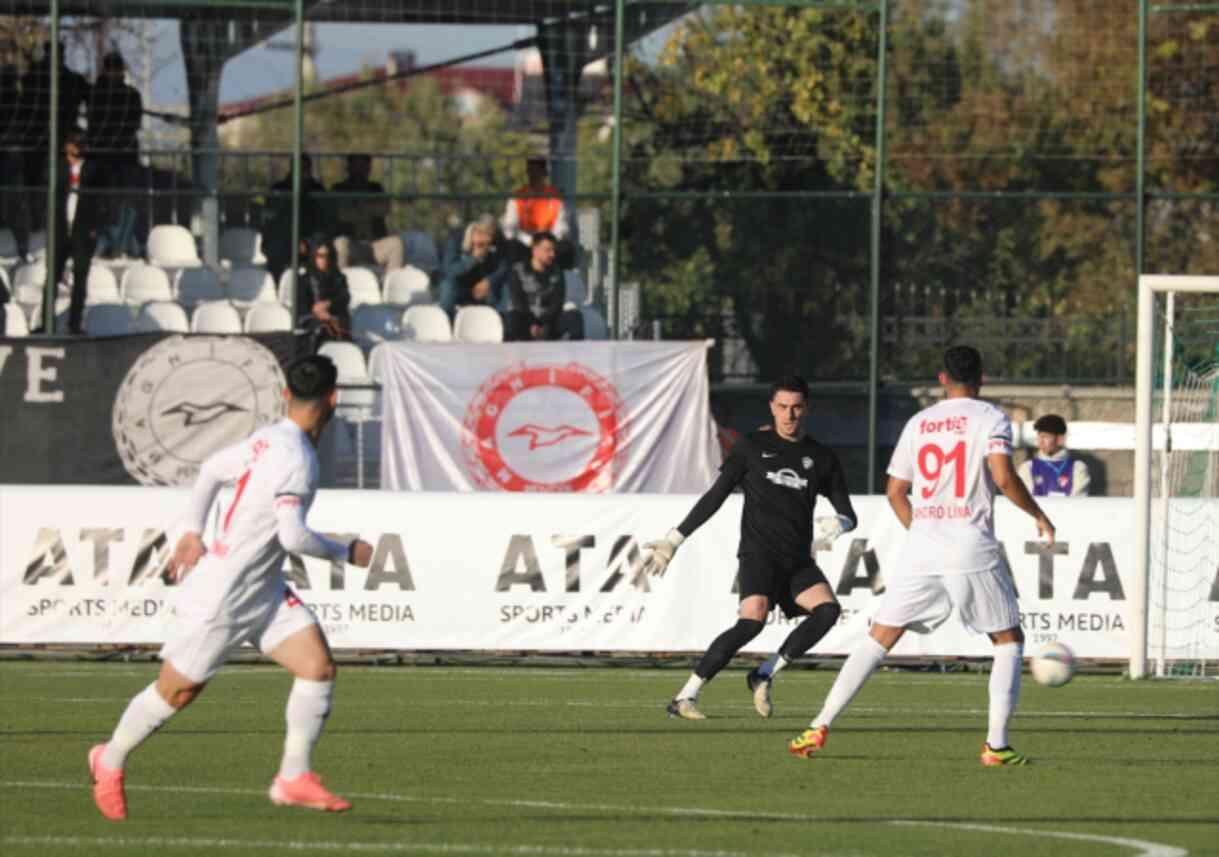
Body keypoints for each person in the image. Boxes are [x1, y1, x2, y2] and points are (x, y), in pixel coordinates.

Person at [88, 355, 374, 821]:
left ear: (285, 395)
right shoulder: (296, 459)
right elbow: (292, 537)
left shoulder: (268, 438)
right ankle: (110, 759)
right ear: (334, 399)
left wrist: (193, 529)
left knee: (317, 668)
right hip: (222, 593)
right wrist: (346, 552)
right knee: (175, 693)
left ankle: (292, 777)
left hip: (261, 589)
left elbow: (210, 469)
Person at [788, 346, 1055, 767]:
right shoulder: (991, 419)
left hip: (922, 548)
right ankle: (997, 745)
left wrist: (926, 531)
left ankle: (818, 725)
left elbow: (896, 491)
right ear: (981, 379)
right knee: (1008, 640)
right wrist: (1039, 514)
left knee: (879, 638)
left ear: (942, 379)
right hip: (969, 543)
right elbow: (1003, 477)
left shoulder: (920, 422)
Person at [642, 374, 859, 720]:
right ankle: (684, 697)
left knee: (828, 611)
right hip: (759, 554)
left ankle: (763, 673)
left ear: (807, 409)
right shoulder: (751, 447)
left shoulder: (821, 457)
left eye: (797, 407)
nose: (790, 415)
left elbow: (848, 513)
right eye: (783, 407)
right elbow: (715, 496)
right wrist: (674, 539)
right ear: (772, 408)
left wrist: (841, 523)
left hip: (798, 560)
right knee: (753, 620)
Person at [51, 131, 110, 335]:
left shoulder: (93, 168)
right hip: (60, 230)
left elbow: (101, 198)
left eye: (78, 145)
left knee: (80, 277)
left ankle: (74, 324)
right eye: (72, 144)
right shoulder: (57, 166)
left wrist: (95, 228)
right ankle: (45, 322)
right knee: (52, 278)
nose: (75, 149)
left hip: (82, 231)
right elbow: (51, 185)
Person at [328, 153, 404, 271]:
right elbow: (341, 214)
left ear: (369, 169)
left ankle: (390, 283)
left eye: (363, 166)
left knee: (396, 243)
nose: (360, 171)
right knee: (340, 243)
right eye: (356, 166)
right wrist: (367, 209)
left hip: (374, 245)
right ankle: (340, 282)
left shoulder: (376, 188)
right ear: (349, 168)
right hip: (352, 245)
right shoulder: (338, 188)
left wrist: (357, 209)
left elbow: (384, 208)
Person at [502, 231, 582, 341]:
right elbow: (518, 302)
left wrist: (544, 324)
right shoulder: (518, 271)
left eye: (553, 250)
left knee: (574, 317)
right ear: (535, 250)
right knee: (511, 319)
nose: (552, 254)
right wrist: (532, 324)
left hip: (549, 323)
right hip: (526, 321)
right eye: (548, 250)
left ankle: (577, 355)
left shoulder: (557, 272)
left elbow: (557, 302)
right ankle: (508, 356)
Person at [263, 154, 329, 285]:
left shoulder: (318, 189)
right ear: (292, 169)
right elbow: (272, 222)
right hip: (284, 239)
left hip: (311, 239)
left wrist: (306, 241)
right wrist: (295, 240)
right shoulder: (278, 189)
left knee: (322, 249)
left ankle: (320, 289)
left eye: (306, 169)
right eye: (300, 169)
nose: (303, 173)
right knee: (275, 249)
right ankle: (277, 288)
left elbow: (322, 221)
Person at [501, 156, 573, 268]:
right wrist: (532, 242)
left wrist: (545, 244)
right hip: (525, 243)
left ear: (544, 174)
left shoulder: (555, 197)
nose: (533, 176)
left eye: (537, 172)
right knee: (510, 247)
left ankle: (559, 280)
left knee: (566, 248)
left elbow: (561, 228)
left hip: (549, 241)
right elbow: (510, 229)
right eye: (530, 172)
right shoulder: (518, 197)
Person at [438, 219, 506, 320]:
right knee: (447, 286)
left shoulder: (496, 242)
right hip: (459, 286)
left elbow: (504, 266)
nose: (485, 238)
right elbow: (450, 271)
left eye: (489, 235)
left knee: (503, 286)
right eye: (480, 232)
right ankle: (446, 322)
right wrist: (473, 258)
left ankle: (498, 322)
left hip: (482, 285)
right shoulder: (456, 241)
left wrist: (489, 281)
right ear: (472, 232)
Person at [295, 238, 352, 352]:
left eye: (327, 255)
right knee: (321, 330)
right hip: (312, 324)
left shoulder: (339, 278)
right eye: (320, 256)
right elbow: (301, 308)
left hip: (335, 321)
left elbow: (344, 298)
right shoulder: (304, 280)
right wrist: (316, 311)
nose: (324, 260)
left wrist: (328, 304)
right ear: (313, 256)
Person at [1018, 414, 1091, 497]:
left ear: (1060, 439)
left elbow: (1078, 500)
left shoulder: (1078, 468)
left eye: (1046, 437)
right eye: (1039, 437)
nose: (1040, 442)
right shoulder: (1028, 467)